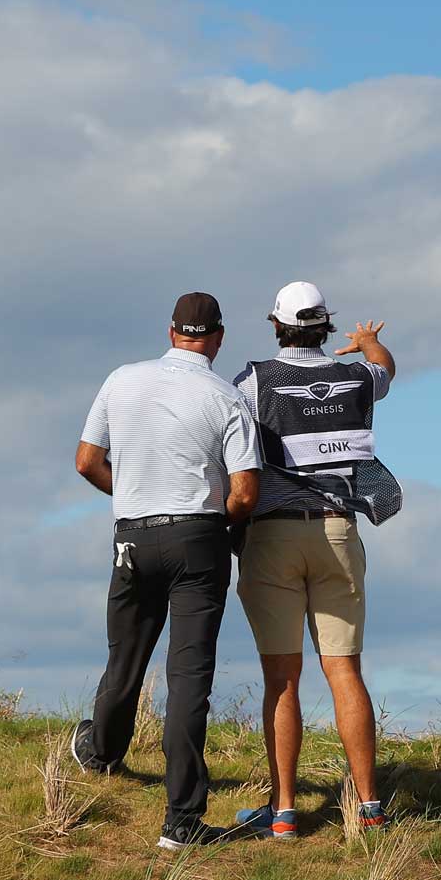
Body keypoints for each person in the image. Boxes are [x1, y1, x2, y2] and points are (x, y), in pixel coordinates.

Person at [70, 292, 261, 850]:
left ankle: (101, 751)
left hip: (133, 534)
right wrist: (216, 521)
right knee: (189, 676)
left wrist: (131, 492)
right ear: (218, 338)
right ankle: (181, 819)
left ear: (171, 332)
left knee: (125, 654)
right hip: (198, 537)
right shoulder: (227, 398)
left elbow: (86, 461)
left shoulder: (121, 380)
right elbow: (245, 493)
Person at [230, 281, 401, 840]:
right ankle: (370, 807)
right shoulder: (357, 377)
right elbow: (386, 368)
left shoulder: (253, 380)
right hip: (337, 531)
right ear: (326, 325)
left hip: (273, 536)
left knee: (282, 678)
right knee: (344, 671)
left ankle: (283, 813)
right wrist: (368, 341)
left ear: (276, 325)